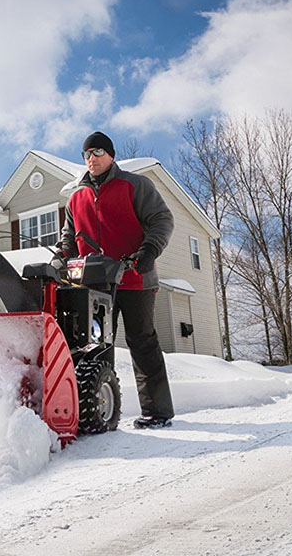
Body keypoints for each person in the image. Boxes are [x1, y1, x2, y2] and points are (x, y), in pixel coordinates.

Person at [56, 131, 176, 429]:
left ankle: (157, 412)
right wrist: (60, 255)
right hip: (94, 283)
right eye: (86, 155)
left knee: (142, 342)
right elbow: (69, 238)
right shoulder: (76, 198)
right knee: (96, 345)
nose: (91, 159)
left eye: (97, 152)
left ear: (111, 155)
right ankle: (99, 412)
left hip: (135, 278)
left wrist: (149, 251)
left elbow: (162, 220)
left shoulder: (135, 185)